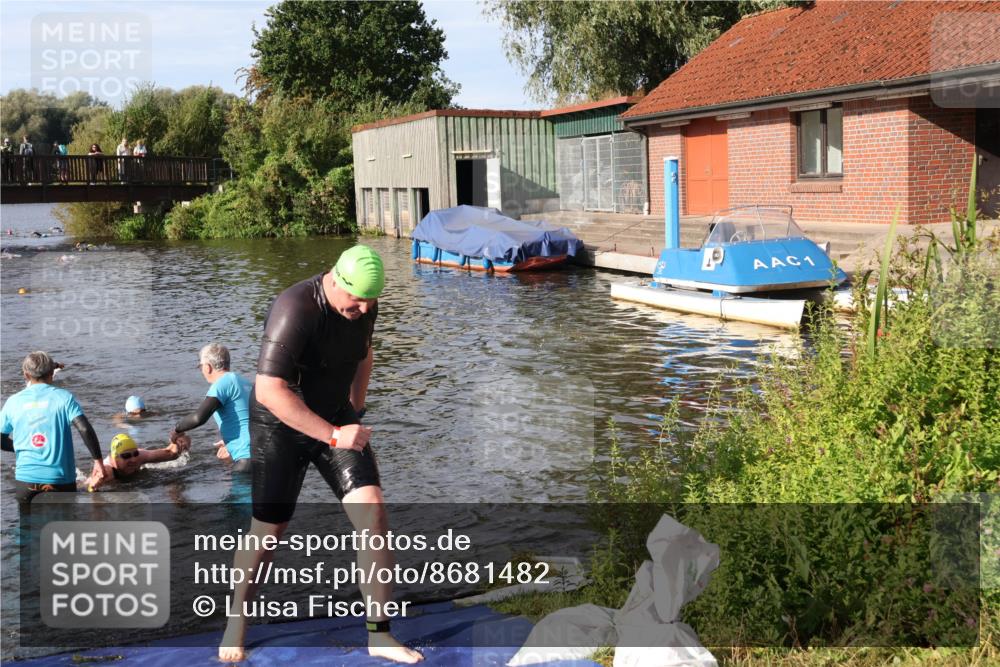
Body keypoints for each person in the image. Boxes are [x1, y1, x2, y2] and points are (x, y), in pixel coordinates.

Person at [218, 245, 421, 664]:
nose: (364, 308)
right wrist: (333, 436)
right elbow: (268, 391)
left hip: (335, 420)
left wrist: (355, 409)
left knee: (374, 513)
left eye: (371, 300)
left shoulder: (365, 305)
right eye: (357, 299)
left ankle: (379, 634)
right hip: (281, 426)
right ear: (335, 279)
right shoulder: (295, 308)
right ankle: (236, 620)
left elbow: (364, 353)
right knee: (267, 532)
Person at [0, 352, 106, 504]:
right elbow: (84, 429)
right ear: (51, 373)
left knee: (28, 527)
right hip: (60, 480)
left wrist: (20, 446)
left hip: (26, 482)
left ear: (25, 375)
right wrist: (98, 462)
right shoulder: (64, 398)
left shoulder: (13, 402)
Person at [170, 343, 253, 473]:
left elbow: (199, 418)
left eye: (200, 366)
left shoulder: (221, 384)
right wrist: (229, 442)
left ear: (208, 367)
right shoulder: (245, 382)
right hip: (265, 453)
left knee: (239, 493)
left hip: (246, 458)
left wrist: (177, 429)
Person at [85, 433, 190, 489]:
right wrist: (94, 486)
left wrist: (180, 440)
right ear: (115, 457)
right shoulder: (107, 471)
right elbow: (87, 487)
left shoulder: (140, 456)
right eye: (126, 456)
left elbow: (171, 453)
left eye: (135, 453)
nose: (133, 459)